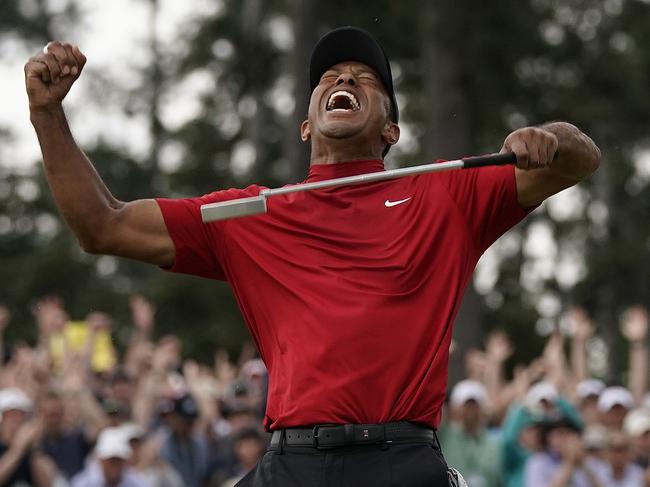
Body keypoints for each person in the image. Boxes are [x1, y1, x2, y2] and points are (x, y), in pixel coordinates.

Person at [24, 25, 601, 486]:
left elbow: (580, 159)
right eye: (329, 76)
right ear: (306, 124)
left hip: (401, 461)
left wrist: (546, 137)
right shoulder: (251, 215)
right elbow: (102, 225)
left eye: (363, 78)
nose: (343, 79)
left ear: (392, 131)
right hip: (293, 463)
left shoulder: (446, 195)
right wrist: (48, 117)